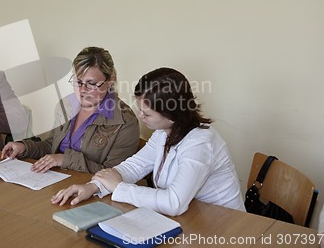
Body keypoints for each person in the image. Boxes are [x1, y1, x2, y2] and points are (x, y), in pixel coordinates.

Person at [51, 67, 245, 216]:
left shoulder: (201, 143)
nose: (140, 116)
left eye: (147, 113)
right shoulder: (164, 132)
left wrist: (118, 188)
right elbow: (134, 166)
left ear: (172, 115)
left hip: (225, 225)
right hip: (192, 218)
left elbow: (174, 203)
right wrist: (93, 187)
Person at [1, 46, 139, 174]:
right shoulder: (66, 105)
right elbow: (51, 146)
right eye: (78, 82)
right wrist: (25, 147)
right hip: (55, 182)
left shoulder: (125, 121)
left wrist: (64, 159)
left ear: (110, 81)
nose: (83, 90)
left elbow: (115, 174)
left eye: (91, 84)